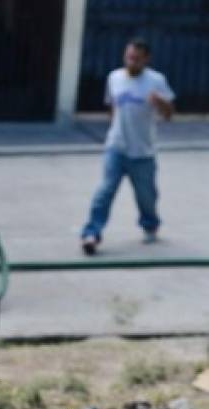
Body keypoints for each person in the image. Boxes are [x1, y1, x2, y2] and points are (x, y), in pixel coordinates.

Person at [80, 38, 175, 255]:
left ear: (146, 60)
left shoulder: (156, 81)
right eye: (129, 57)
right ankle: (92, 233)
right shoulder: (114, 78)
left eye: (137, 59)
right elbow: (113, 107)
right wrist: (113, 132)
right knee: (104, 191)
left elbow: (169, 114)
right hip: (116, 148)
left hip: (143, 151)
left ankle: (150, 224)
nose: (131, 62)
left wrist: (160, 103)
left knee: (146, 195)